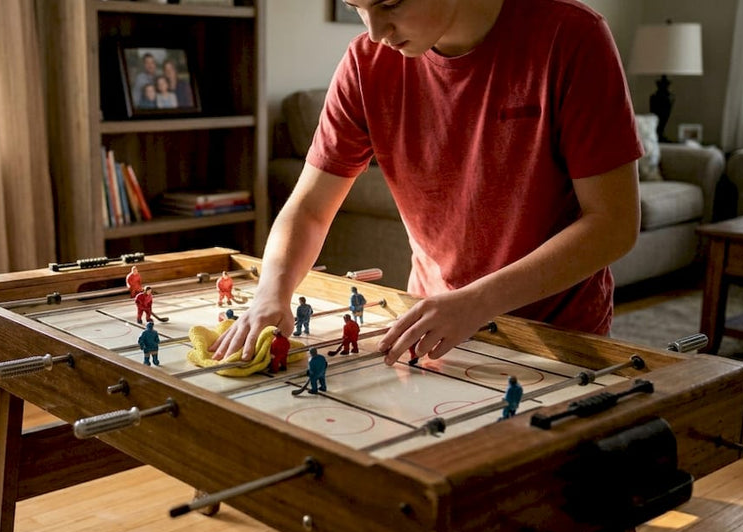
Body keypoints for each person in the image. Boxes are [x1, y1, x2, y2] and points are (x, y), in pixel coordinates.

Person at [209, 0, 641, 367]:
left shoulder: (572, 36)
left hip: (557, 336)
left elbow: (613, 223)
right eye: (357, 8)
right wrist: (271, 292)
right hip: (431, 324)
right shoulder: (365, 63)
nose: (376, 31)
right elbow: (308, 208)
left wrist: (477, 302)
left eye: (390, 3)